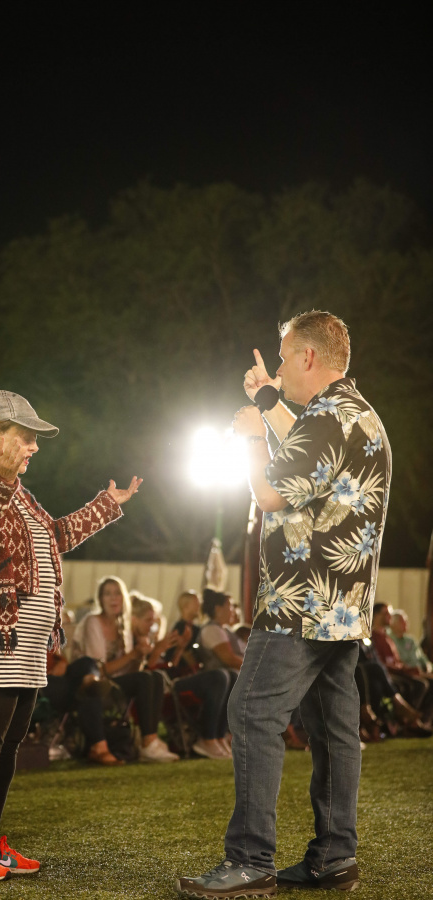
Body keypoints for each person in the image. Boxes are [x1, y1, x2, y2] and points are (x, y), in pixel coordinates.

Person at [177, 310, 391, 898]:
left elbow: (272, 491)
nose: (277, 368)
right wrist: (269, 400)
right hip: (341, 605)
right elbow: (308, 460)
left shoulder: (326, 417)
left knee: (251, 711)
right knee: (333, 731)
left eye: (282, 358)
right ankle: (335, 857)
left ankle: (250, 861)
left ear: (308, 357)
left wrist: (251, 435)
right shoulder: (357, 415)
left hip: (300, 601)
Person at [0, 389, 141, 882]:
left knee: (6, 744)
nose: (33, 447)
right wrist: (1, 484)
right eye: (25, 437)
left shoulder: (16, 491)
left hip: (22, 641)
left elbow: (53, 537)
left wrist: (106, 506)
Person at [72, 576, 179, 762]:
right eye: (108, 594)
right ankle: (148, 743)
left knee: (155, 676)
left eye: (117, 594)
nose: (113, 598)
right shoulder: (93, 622)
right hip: (94, 686)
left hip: (116, 684)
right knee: (146, 678)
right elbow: (98, 670)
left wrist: (140, 655)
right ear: (100, 599)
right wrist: (132, 655)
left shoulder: (123, 626)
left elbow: (131, 673)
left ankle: (150, 740)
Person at [131, 594, 231, 759]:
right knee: (219, 676)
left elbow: (169, 668)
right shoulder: (134, 642)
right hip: (160, 690)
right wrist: (156, 652)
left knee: (230, 675)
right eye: (148, 621)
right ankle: (208, 738)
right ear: (134, 620)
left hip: (168, 683)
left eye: (153, 621)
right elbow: (144, 676)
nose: (152, 626)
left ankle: (219, 737)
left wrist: (179, 649)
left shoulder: (149, 640)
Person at [389, 609, 433, 674]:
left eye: (406, 621)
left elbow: (422, 657)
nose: (406, 623)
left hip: (421, 672)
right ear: (393, 624)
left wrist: (428, 666)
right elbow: (397, 661)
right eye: (402, 621)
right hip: (405, 673)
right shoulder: (389, 640)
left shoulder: (410, 640)